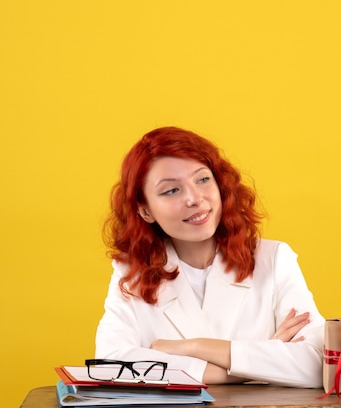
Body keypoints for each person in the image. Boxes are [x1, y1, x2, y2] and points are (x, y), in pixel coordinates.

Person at [95, 126, 325, 388]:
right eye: (171, 191)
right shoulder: (132, 271)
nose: (194, 198)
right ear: (145, 210)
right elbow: (110, 365)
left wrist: (190, 347)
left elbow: (318, 364)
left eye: (202, 179)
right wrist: (257, 360)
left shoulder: (273, 259)